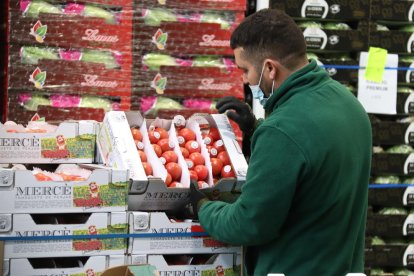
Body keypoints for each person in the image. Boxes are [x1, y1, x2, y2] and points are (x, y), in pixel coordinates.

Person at [189, 8, 372, 276]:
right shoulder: (350, 106)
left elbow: (249, 224)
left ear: (270, 68)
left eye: (246, 70)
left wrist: (202, 206)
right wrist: (253, 128)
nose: (245, 79)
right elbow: (311, 162)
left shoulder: (282, 131)